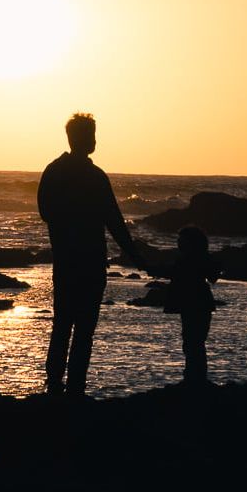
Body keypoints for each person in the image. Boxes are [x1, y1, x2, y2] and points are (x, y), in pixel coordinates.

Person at [37, 113, 144, 399]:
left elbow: (46, 212)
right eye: (91, 135)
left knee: (63, 323)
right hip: (89, 261)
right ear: (80, 138)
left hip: (66, 260)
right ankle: (74, 388)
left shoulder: (54, 171)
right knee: (83, 327)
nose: (94, 140)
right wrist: (135, 255)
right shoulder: (94, 177)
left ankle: (56, 385)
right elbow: (114, 221)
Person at [163, 224, 218, 387]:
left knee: (193, 341)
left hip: (195, 303)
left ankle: (194, 378)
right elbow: (214, 276)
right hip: (201, 303)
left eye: (181, 240)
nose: (178, 243)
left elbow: (174, 272)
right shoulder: (201, 258)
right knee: (195, 341)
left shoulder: (189, 259)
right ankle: (196, 377)